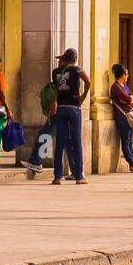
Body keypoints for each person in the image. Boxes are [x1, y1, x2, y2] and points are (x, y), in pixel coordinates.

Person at [50, 48, 90, 185]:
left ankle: (57, 176)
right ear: (75, 58)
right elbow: (88, 81)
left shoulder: (55, 72)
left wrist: (55, 102)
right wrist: (83, 96)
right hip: (74, 108)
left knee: (60, 142)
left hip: (61, 108)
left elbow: (55, 90)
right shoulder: (77, 70)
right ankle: (79, 176)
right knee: (76, 141)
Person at [110, 63, 133, 173]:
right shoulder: (115, 87)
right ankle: (132, 164)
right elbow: (129, 99)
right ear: (122, 75)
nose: (128, 75)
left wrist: (129, 99)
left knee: (129, 141)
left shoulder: (124, 86)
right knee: (125, 141)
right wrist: (129, 99)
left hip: (129, 117)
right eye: (127, 74)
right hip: (122, 117)